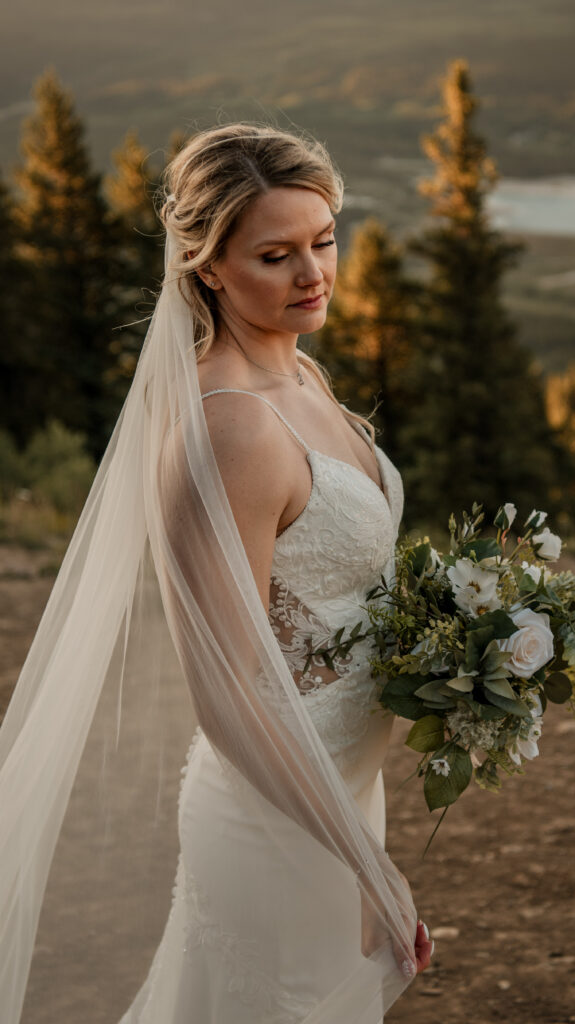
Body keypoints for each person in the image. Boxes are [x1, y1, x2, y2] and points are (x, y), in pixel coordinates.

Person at [0, 123, 432, 1024]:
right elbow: (228, 695)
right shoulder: (230, 427)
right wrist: (363, 857)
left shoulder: (304, 376)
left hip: (349, 781)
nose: (313, 273)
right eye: (275, 255)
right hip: (281, 817)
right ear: (205, 266)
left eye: (323, 240)